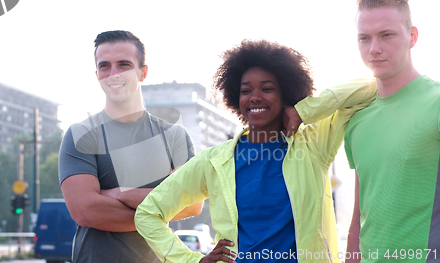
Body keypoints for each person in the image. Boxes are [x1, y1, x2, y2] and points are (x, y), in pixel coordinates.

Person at [135, 39, 378, 263]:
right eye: (245, 90)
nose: (255, 97)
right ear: (235, 97)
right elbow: (148, 214)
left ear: (285, 93)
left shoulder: (313, 145)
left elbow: (371, 86)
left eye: (267, 88)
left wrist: (305, 111)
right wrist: (193, 260)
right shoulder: (215, 161)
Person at [58, 30, 202, 263]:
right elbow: (86, 210)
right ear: (97, 74)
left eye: (124, 64)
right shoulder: (80, 135)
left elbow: (192, 205)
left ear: (142, 72)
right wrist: (159, 207)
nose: (113, 74)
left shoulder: (175, 136)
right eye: (104, 66)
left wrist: (119, 193)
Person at [345, 1, 440, 262]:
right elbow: (359, 216)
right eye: (364, 38)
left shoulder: (436, 103)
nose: (374, 49)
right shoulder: (356, 121)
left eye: (386, 35)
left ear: (412, 37)